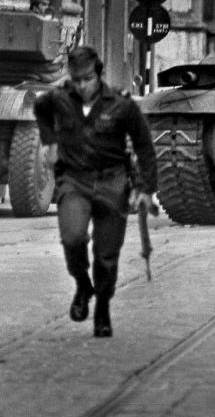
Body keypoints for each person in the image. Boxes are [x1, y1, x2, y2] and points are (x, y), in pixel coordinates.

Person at [32, 46, 159, 338]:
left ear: (98, 74)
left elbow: (144, 146)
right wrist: (49, 140)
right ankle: (82, 285)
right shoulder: (60, 98)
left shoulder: (121, 105)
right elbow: (40, 107)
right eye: (76, 79)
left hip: (112, 182)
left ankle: (102, 306)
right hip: (74, 181)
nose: (81, 85)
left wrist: (146, 189)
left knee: (106, 256)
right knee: (72, 238)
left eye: (87, 78)